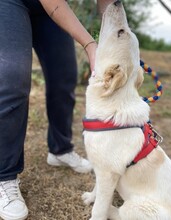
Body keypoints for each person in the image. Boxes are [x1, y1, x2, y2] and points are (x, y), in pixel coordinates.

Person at [0, 0, 115, 219]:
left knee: (65, 77)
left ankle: (60, 150)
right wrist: (90, 45)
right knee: (13, 80)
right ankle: (4, 176)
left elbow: (108, 5)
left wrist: (116, 35)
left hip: (49, 8)